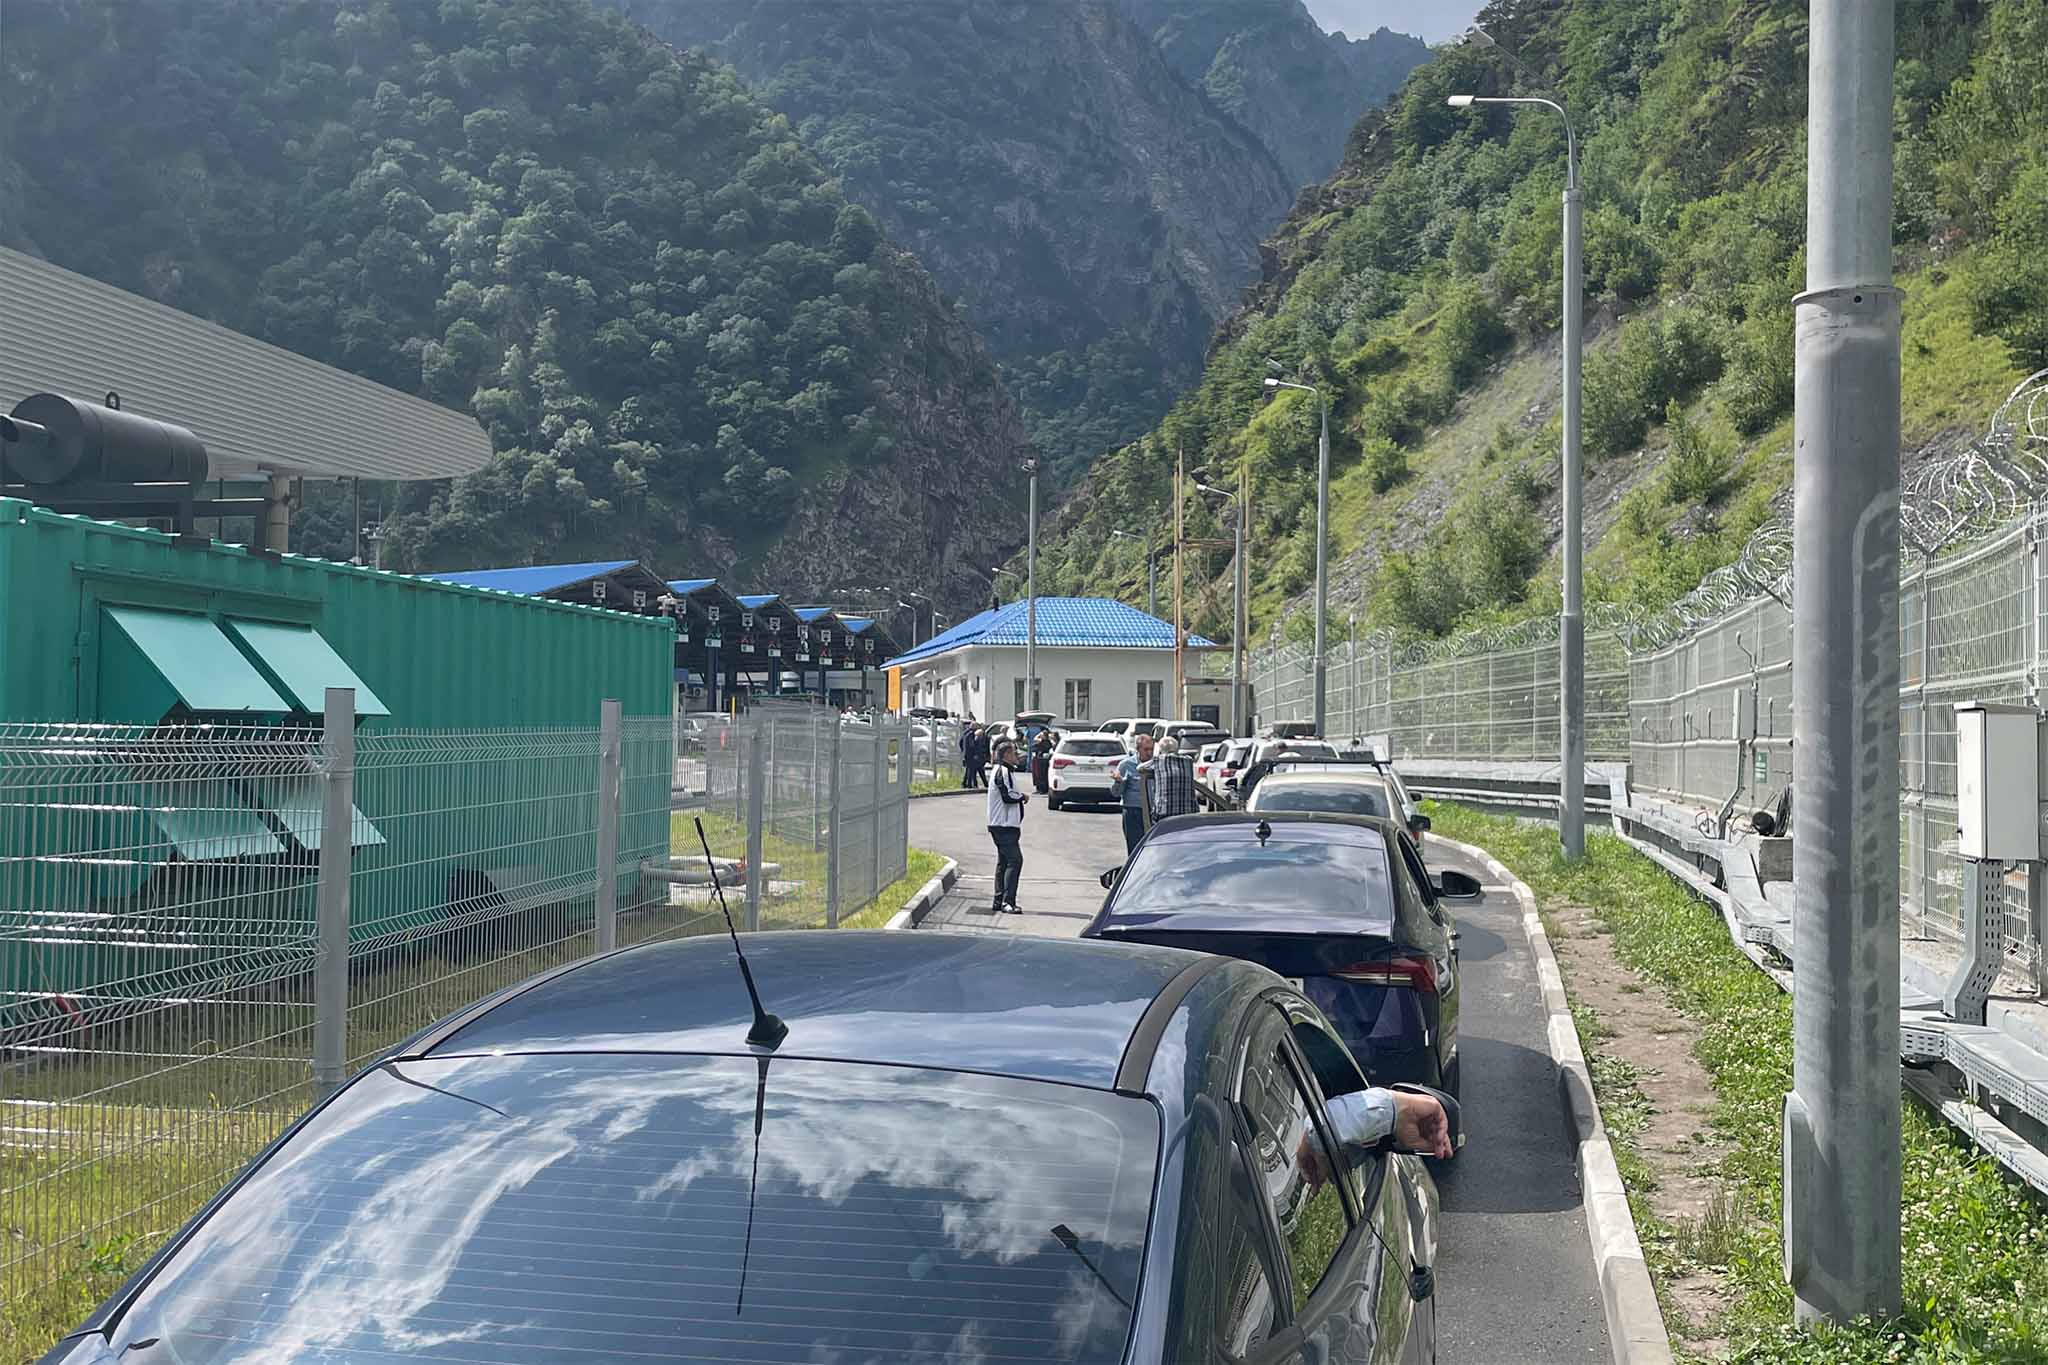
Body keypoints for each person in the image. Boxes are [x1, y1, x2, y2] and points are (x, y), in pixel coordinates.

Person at [985, 741, 1026, 914]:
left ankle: (999, 899)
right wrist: (1022, 797)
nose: (1017, 756)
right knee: (1015, 860)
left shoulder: (1006, 771)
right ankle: (1007, 902)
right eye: (1014, 753)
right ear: (1007, 755)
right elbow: (1007, 795)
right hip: (1003, 825)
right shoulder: (1002, 771)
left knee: (1004, 862)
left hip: (1006, 825)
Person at [1111, 732, 1156, 857]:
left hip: (1152, 813)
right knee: (1135, 848)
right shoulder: (1126, 765)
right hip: (1133, 811)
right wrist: (1119, 782)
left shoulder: (1156, 765)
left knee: (1152, 849)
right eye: (1146, 749)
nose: (1149, 753)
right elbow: (1116, 793)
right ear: (1138, 749)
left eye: (1151, 749)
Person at [966, 724, 991, 788]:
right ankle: (971, 784)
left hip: (978, 758)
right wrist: (975, 755)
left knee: (977, 771)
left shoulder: (977, 738)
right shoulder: (974, 738)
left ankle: (976, 784)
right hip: (974, 757)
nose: (982, 736)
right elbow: (973, 748)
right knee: (973, 771)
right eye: (981, 735)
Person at [1030, 728, 1055, 794]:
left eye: (1042, 735)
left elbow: (1042, 748)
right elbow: (1033, 746)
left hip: (1043, 760)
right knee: (1037, 775)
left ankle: (1043, 789)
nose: (1040, 736)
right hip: (1039, 759)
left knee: (1042, 775)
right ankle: (1039, 788)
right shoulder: (1041, 742)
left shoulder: (1047, 742)